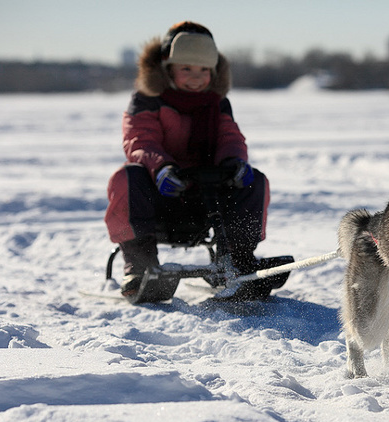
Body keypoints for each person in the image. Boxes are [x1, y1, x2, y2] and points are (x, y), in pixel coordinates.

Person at [104, 21, 270, 299]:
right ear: (168, 68)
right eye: (187, 69)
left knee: (254, 180)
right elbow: (140, 141)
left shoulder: (217, 102)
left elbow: (230, 137)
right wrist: (162, 168)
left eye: (204, 70)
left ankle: (237, 259)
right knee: (127, 177)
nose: (196, 77)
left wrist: (234, 162)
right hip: (161, 194)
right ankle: (140, 265)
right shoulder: (147, 100)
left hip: (207, 197)